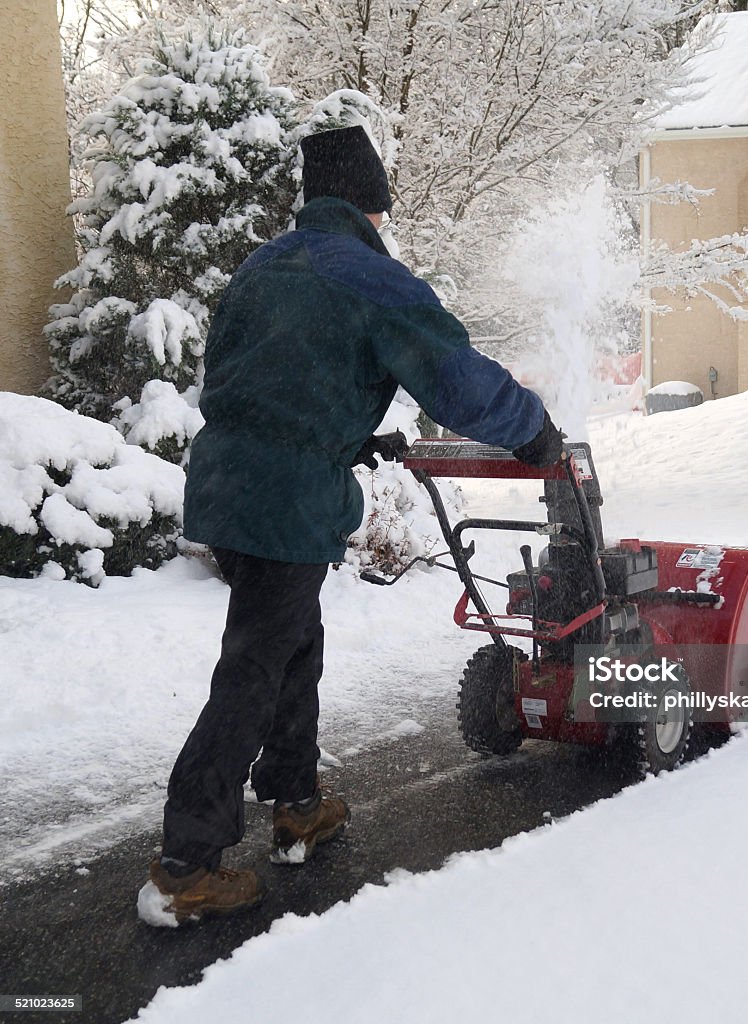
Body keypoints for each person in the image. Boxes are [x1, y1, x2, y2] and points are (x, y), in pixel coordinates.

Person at [137, 125, 563, 926]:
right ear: (373, 207)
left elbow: (257, 377)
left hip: (228, 486)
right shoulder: (370, 275)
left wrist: (345, 432)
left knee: (291, 640)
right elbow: (457, 381)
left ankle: (296, 803)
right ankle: (184, 868)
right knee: (253, 670)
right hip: (284, 497)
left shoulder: (264, 266)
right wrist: (532, 430)